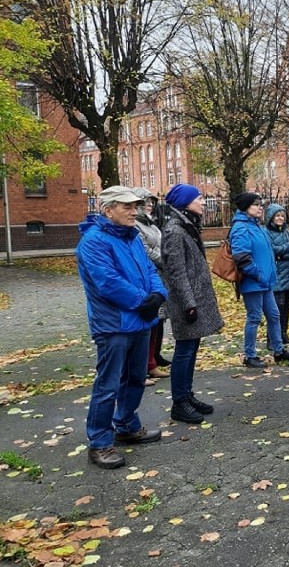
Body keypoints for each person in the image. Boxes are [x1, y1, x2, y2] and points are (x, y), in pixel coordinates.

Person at [76, 186, 168, 469]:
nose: (134, 211)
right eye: (127, 207)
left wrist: (158, 294)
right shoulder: (93, 242)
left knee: (136, 378)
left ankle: (127, 424)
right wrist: (143, 300)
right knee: (108, 384)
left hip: (140, 320)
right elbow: (107, 282)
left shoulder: (132, 238)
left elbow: (151, 270)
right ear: (107, 210)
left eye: (135, 206)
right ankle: (100, 442)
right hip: (114, 324)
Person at [160, 184, 225, 424]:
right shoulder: (175, 231)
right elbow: (176, 273)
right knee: (184, 352)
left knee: (191, 350)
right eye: (199, 198)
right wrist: (189, 304)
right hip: (186, 302)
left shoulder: (186, 226)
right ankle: (179, 402)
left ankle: (187, 395)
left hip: (193, 299)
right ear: (186, 203)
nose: (203, 201)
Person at [230, 192, 288, 368]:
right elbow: (241, 257)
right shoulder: (241, 227)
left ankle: (278, 350)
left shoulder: (257, 226)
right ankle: (249, 355)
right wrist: (258, 274)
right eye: (256, 204)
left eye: (261, 204)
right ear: (246, 207)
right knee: (254, 317)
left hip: (265, 282)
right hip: (253, 282)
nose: (260, 207)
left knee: (274, 315)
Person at [132, 188, 170, 385]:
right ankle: (144, 366)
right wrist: (165, 259)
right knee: (148, 323)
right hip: (149, 276)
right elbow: (145, 251)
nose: (150, 204)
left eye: (152, 202)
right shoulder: (136, 225)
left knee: (157, 322)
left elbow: (160, 245)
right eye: (146, 201)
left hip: (159, 276)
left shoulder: (151, 223)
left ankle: (152, 361)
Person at [265, 203, 289, 355]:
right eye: (277, 216)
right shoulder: (266, 232)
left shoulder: (287, 232)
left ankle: (283, 334)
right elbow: (272, 250)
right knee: (276, 309)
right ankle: (272, 339)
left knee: (286, 307)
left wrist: (284, 253)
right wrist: (288, 249)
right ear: (271, 217)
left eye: (282, 216)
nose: (280, 218)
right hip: (277, 276)